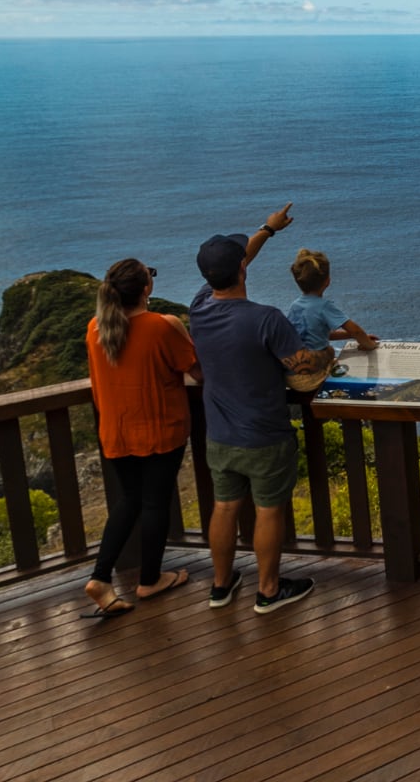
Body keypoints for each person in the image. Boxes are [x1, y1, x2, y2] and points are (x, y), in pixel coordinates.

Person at [188, 204, 333, 614]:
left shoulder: (199, 307)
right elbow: (303, 369)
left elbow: (238, 258)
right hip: (265, 435)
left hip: (219, 434)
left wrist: (268, 230)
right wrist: (328, 355)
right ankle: (268, 590)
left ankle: (221, 586)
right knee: (268, 511)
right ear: (242, 271)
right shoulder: (266, 320)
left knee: (225, 507)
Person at [83, 259, 200, 619]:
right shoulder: (162, 326)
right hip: (159, 428)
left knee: (130, 499)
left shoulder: (95, 328)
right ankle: (150, 579)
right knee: (154, 504)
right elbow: (197, 371)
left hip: (116, 430)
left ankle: (101, 577)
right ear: (146, 288)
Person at [287, 248, 379, 373]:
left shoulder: (295, 306)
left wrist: (348, 335)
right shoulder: (324, 306)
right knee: (329, 351)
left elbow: (316, 334)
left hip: (296, 362)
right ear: (327, 281)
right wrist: (369, 345)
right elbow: (356, 330)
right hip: (315, 362)